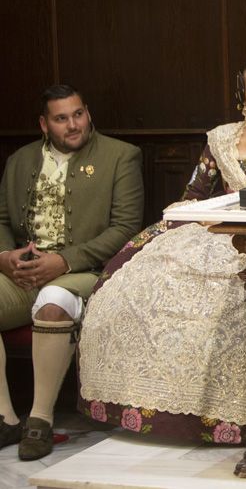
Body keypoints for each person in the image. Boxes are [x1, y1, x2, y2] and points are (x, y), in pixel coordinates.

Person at [77, 49, 246, 444]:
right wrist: (208, 216)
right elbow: (195, 193)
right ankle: (162, 409)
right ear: (241, 95)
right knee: (145, 291)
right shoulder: (221, 138)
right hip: (219, 233)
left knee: (232, 307)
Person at [0, 85, 143, 460]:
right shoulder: (19, 160)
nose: (73, 124)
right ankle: (4, 417)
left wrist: (64, 261)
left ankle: (39, 419)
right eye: (62, 118)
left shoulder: (121, 156)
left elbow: (126, 228)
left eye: (78, 114)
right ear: (44, 124)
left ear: (88, 113)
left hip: (83, 271)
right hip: (22, 274)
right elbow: (1, 220)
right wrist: (5, 256)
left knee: (54, 302)